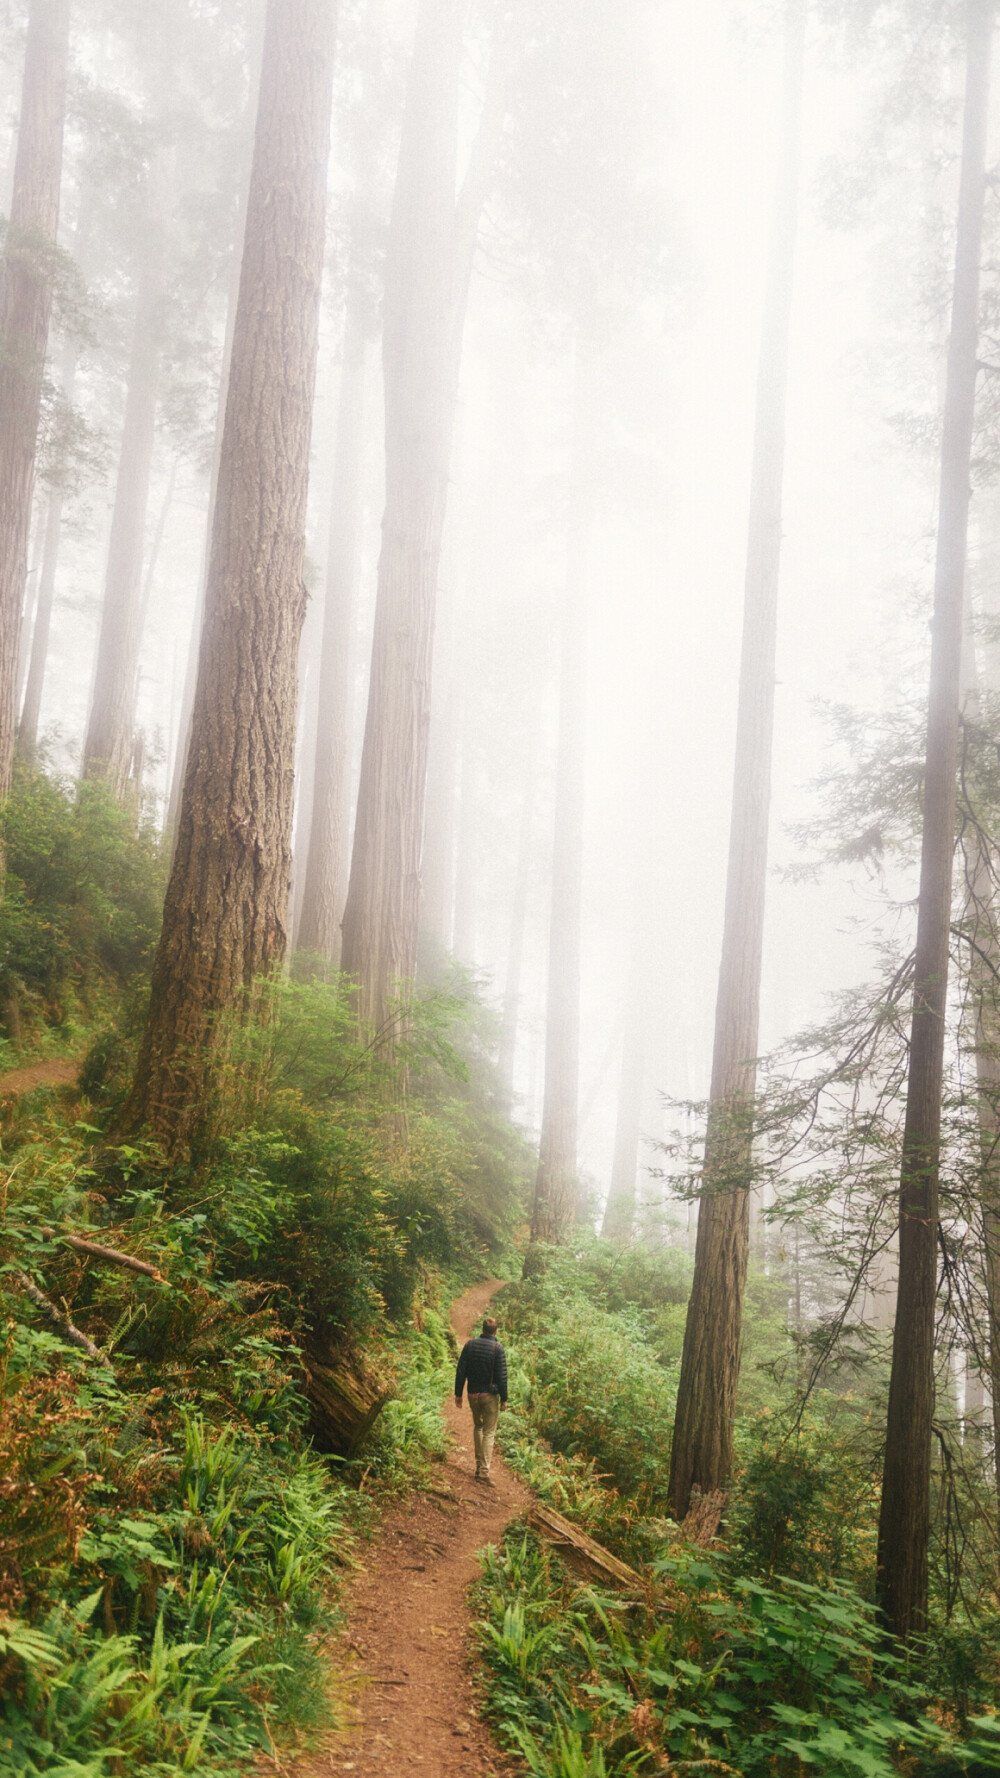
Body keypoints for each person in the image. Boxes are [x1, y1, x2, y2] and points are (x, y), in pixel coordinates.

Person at [454, 1314, 508, 1484]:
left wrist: (458, 1394)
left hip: (472, 1395)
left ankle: (478, 1466)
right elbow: (502, 1376)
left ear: (482, 1329)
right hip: (489, 1396)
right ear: (495, 1331)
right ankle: (484, 1473)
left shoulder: (470, 1345)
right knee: (489, 1432)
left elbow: (461, 1370)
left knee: (478, 1427)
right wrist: (504, 1399)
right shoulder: (497, 1348)